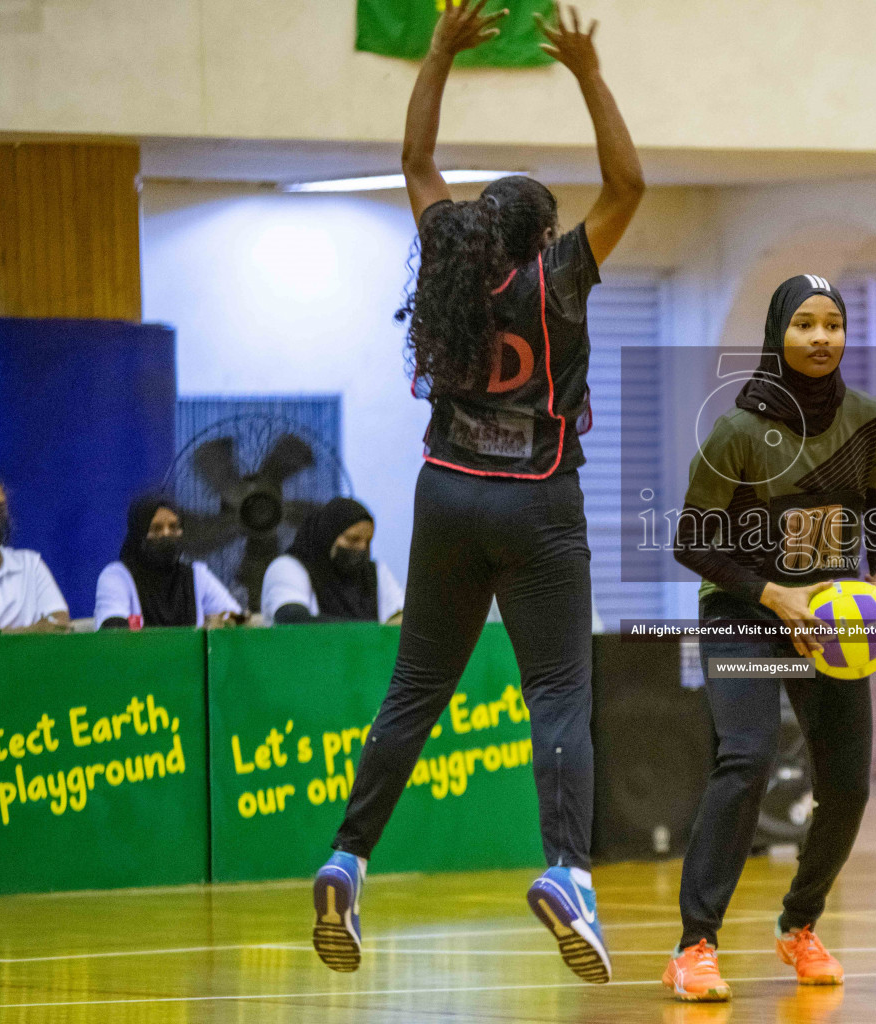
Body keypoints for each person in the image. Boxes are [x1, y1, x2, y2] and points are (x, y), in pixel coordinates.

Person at [310, 0, 642, 985]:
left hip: (447, 495)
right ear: (542, 235)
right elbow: (630, 182)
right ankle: (568, 871)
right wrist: (585, 72)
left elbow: (417, 163)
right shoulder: (561, 281)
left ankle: (348, 854)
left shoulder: (453, 273)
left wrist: (439, 49)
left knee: (414, 692)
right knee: (558, 696)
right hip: (539, 503)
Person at [661, 275, 876, 1003]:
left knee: (849, 786)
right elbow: (690, 542)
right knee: (748, 759)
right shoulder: (738, 429)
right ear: (778, 333)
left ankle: (799, 926)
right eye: (805, 324)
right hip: (744, 613)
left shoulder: (867, 417)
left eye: (833, 324)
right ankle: (694, 946)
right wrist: (774, 596)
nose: (822, 337)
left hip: (832, 624)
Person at [94, 496, 244, 630]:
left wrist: (222, 622)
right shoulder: (117, 576)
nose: (166, 534)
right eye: (156, 528)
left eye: (173, 527)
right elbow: (113, 628)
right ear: (138, 535)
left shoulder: (196, 575)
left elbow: (237, 618)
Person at [261, 498, 403, 625]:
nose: (362, 547)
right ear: (328, 536)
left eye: (368, 541)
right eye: (353, 539)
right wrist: (367, 632)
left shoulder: (376, 572)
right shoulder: (288, 568)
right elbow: (291, 618)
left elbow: (403, 620)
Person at [0, 478, 70, 634]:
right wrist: (35, 629)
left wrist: (1, 637)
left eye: (0, 508)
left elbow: (60, 623)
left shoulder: (29, 565)